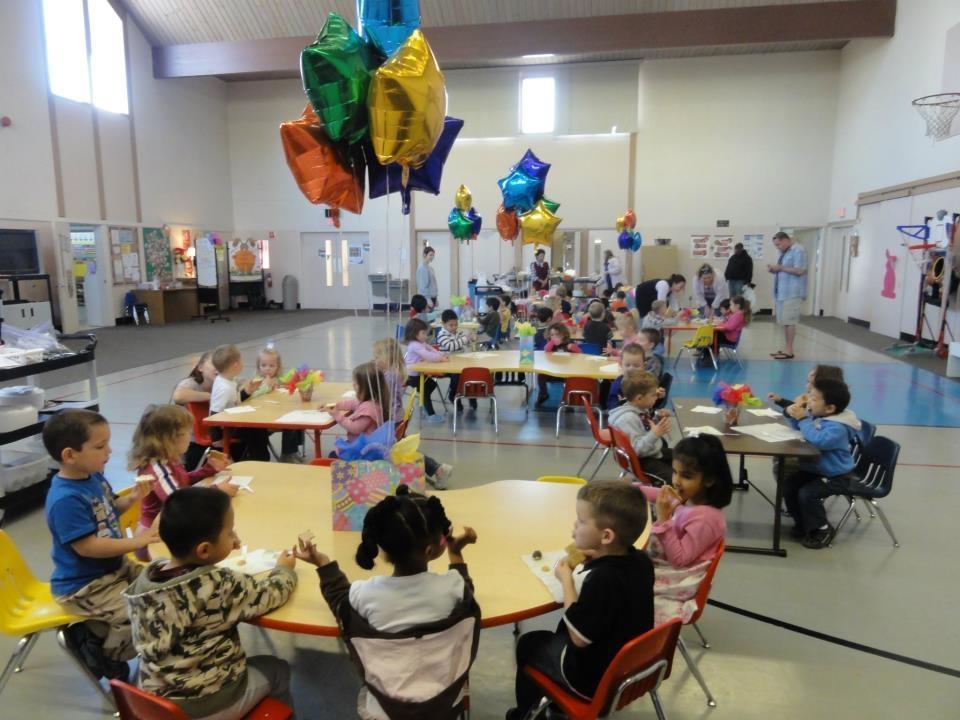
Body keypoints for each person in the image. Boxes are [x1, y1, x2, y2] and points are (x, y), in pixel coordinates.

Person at [296, 485, 480, 719]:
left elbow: (340, 602)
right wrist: (456, 553)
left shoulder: (365, 593)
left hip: (385, 709)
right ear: (430, 550)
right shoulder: (452, 587)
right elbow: (467, 590)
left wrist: (323, 563)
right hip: (444, 702)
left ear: (383, 549)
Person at [124, 486, 297, 718]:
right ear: (204, 550)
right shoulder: (219, 583)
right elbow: (271, 594)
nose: (235, 539)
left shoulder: (147, 579)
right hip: (207, 702)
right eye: (230, 533)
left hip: (155, 700)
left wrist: (224, 545)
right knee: (278, 669)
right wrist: (283, 571)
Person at [507, 481, 653, 720]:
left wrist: (566, 580)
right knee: (553, 636)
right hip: (633, 667)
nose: (575, 526)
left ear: (606, 536)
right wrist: (595, 560)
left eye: (582, 521)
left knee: (529, 644)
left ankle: (527, 714)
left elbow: (578, 638)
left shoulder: (602, 580)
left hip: (592, 681)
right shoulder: (641, 561)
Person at [43, 409, 158, 681]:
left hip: (114, 569)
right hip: (85, 585)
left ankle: (97, 631)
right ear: (70, 455)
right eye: (100, 446)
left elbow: (109, 510)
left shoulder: (93, 477)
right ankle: (101, 653)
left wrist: (131, 499)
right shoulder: (65, 499)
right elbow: (87, 547)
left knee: (162, 585)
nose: (109, 451)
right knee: (141, 613)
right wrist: (136, 542)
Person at [635, 436, 732, 624]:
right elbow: (660, 494)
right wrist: (634, 490)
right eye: (674, 472)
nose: (676, 481)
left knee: (619, 578)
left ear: (709, 480)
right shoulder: (690, 497)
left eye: (686, 476)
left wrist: (663, 520)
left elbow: (680, 560)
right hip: (668, 563)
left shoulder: (706, 518)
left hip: (677, 578)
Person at [129, 404, 236, 561]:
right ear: (171, 439)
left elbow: (182, 482)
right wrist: (217, 490)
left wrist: (207, 470)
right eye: (188, 433)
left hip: (174, 529)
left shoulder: (169, 459)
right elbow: (180, 502)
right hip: (154, 538)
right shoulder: (157, 469)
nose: (191, 436)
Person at [783, 377, 862, 549]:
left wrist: (803, 420)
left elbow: (819, 441)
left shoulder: (837, 427)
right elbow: (801, 427)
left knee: (807, 493)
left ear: (830, 408)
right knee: (789, 485)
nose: (809, 402)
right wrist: (792, 413)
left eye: (813, 399)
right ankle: (803, 523)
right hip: (817, 470)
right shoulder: (821, 415)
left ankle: (822, 529)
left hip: (837, 476)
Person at [373, 338, 453, 489]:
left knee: (401, 450)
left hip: (391, 419)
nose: (374, 360)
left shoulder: (389, 376)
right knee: (403, 449)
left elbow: (382, 399)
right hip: (395, 416)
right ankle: (437, 468)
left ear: (387, 358)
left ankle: (438, 469)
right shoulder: (391, 372)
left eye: (377, 357)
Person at [608, 371, 673, 483]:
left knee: (685, 458)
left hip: (652, 452)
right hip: (643, 461)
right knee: (673, 479)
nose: (656, 398)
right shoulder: (628, 419)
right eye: (653, 395)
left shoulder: (639, 409)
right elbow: (636, 450)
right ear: (639, 398)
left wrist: (657, 418)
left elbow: (644, 428)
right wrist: (655, 434)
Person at [209, 344, 269, 461]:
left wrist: (247, 392)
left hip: (234, 420)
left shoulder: (228, 380)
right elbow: (214, 413)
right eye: (241, 360)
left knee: (259, 429)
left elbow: (234, 401)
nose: (243, 362)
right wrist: (216, 438)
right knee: (257, 430)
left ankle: (258, 457)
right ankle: (260, 460)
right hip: (227, 428)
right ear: (235, 365)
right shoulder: (224, 388)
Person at [254, 346, 304, 463]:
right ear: (258, 366)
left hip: (278, 411)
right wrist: (266, 386)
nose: (267, 369)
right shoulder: (257, 381)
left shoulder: (279, 379)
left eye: (271, 366)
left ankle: (293, 450)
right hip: (263, 417)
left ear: (278, 367)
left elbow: (287, 388)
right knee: (289, 423)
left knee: (297, 417)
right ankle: (287, 454)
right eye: (264, 365)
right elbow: (255, 395)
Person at [171, 350, 217, 469]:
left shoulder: (225, 383)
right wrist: (211, 397)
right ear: (200, 367)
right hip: (190, 442)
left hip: (215, 434)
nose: (218, 368)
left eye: (222, 365)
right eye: (214, 364)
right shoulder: (190, 383)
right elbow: (178, 396)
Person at [768, 231, 807, 360]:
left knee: (790, 321)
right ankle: (786, 348)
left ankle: (789, 350)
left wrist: (780, 268)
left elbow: (800, 270)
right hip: (782, 293)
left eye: (779, 244)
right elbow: (783, 269)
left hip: (792, 293)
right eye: (776, 245)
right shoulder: (784, 252)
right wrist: (774, 269)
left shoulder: (798, 250)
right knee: (785, 321)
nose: (778, 247)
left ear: (786, 240)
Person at [331, 361, 390, 444]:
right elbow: (353, 403)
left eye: (357, 383)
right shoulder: (371, 401)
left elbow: (355, 429)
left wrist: (337, 415)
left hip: (363, 449)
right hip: (361, 444)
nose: (353, 384)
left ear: (367, 387)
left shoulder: (369, 408)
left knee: (332, 454)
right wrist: (336, 405)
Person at [403, 318, 449, 424]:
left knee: (432, 385)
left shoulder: (421, 343)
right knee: (425, 391)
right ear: (414, 334)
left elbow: (431, 349)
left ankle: (423, 402)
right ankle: (431, 415)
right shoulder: (414, 345)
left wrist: (441, 354)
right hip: (412, 375)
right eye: (423, 333)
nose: (426, 336)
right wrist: (441, 359)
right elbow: (428, 356)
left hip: (419, 373)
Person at [437, 309, 477, 410]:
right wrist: (465, 339)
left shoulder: (458, 333)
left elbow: (464, 343)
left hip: (459, 362)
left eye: (456, 325)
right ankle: (454, 395)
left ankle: (471, 395)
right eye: (451, 325)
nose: (454, 327)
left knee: (471, 372)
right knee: (458, 375)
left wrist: (471, 339)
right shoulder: (442, 335)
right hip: (446, 364)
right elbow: (451, 346)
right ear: (443, 324)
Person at [535, 323, 582, 407]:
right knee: (540, 376)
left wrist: (573, 347)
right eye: (552, 335)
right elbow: (546, 349)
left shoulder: (568, 343)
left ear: (563, 335)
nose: (554, 337)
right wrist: (552, 342)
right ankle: (544, 393)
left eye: (557, 335)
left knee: (571, 380)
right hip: (551, 371)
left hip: (566, 372)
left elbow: (580, 353)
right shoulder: (551, 344)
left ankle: (568, 399)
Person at [606, 343, 647, 410]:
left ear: (644, 366)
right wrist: (621, 403)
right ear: (621, 365)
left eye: (636, 366)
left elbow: (652, 402)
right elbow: (611, 405)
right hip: (624, 416)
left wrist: (658, 396)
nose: (631, 369)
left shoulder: (647, 382)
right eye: (627, 365)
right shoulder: (618, 384)